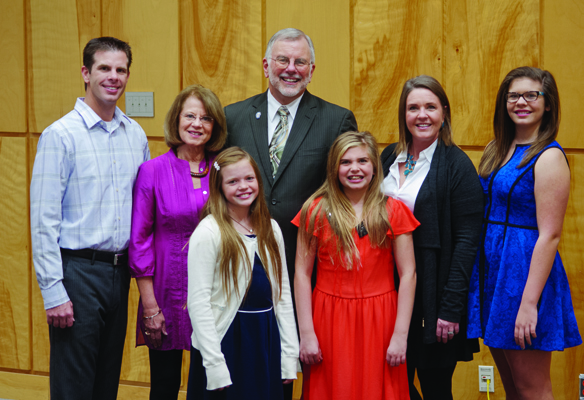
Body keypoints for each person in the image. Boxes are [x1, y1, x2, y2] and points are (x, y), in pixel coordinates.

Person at [30, 37, 149, 399]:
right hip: (77, 274)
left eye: (121, 70)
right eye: (104, 68)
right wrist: (53, 292)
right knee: (74, 387)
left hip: (119, 273)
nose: (113, 77)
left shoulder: (136, 135)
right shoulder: (60, 136)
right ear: (86, 73)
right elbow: (42, 221)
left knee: (106, 383)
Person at [466, 66, 581, 400]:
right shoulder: (495, 149)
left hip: (524, 278)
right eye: (513, 95)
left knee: (533, 388)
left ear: (548, 104)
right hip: (492, 275)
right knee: (513, 387)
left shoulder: (548, 157)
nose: (521, 102)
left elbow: (550, 235)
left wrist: (529, 304)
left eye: (532, 95)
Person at [224, 28, 358, 314]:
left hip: (308, 262)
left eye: (300, 63)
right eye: (282, 60)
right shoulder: (233, 118)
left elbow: (347, 194)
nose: (291, 69)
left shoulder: (336, 120)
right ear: (266, 66)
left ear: (311, 71)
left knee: (298, 351)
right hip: (242, 256)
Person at [380, 75, 483, 400]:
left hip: (433, 296)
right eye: (413, 108)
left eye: (430, 107)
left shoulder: (457, 165)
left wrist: (450, 308)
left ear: (444, 113)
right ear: (403, 114)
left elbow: (468, 240)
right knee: (393, 384)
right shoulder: (388, 157)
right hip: (387, 290)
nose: (421, 115)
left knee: (435, 388)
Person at [294, 131, 419, 400]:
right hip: (329, 319)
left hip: (381, 319)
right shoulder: (315, 210)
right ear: (334, 168)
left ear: (374, 166)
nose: (354, 168)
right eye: (345, 162)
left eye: (362, 160)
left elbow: (408, 274)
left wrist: (400, 335)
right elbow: (302, 275)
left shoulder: (393, 211)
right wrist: (306, 333)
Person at [128, 84, 227, 399]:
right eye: (190, 116)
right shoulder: (152, 171)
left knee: (212, 380)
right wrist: (150, 307)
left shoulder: (225, 170)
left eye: (206, 118)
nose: (197, 124)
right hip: (166, 291)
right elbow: (139, 240)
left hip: (216, 290)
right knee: (165, 382)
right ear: (177, 119)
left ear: (215, 127)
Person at [186, 147, 299, 399]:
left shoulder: (270, 228)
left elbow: (283, 296)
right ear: (219, 187)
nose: (243, 186)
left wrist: (289, 354)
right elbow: (199, 303)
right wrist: (214, 363)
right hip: (227, 341)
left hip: (264, 338)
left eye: (249, 178)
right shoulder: (209, 232)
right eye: (233, 181)